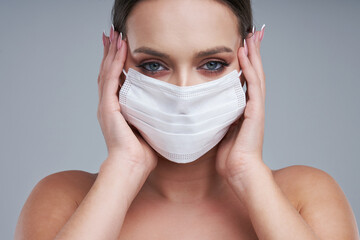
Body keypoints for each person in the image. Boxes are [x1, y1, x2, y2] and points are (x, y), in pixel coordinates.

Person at [14, 0, 359, 239]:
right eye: (153, 64)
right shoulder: (63, 198)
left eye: (212, 64)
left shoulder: (306, 196)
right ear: (116, 69)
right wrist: (124, 168)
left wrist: (247, 172)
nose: (183, 93)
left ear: (247, 66)